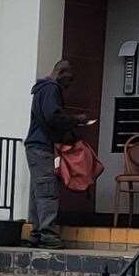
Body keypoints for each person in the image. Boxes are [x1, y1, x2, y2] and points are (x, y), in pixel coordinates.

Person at [24, 60, 91, 248]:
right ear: (61, 72)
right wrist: (76, 120)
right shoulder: (51, 88)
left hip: (36, 146)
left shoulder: (42, 89)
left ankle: (37, 233)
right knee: (47, 190)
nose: (68, 86)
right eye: (69, 80)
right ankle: (47, 234)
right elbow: (53, 116)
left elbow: (50, 117)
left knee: (38, 190)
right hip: (41, 146)